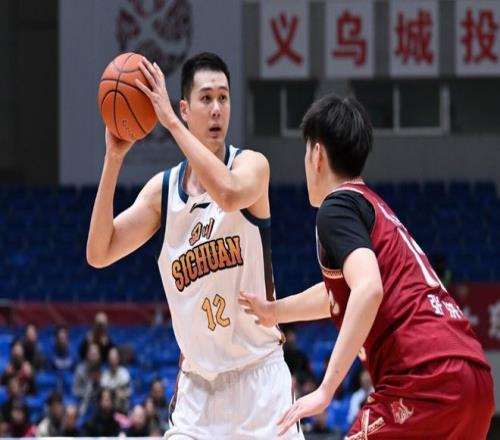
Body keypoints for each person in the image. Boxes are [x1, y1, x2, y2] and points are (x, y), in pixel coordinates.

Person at [239, 94, 494, 438]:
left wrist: (326, 389)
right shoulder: (372, 205)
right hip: (474, 378)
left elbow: (368, 288)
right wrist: (275, 311)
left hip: (424, 378)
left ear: (317, 154)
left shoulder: (336, 207)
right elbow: (341, 292)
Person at [87, 52, 303, 439]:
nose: (217, 108)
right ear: (186, 108)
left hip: (260, 382)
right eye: (206, 98)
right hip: (197, 393)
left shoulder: (252, 166)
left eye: (223, 98)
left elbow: (228, 194)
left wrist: (169, 122)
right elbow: (99, 253)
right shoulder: (163, 192)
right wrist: (113, 159)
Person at [100, 347, 131, 413]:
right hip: (108, 409)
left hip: (122, 408)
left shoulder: (124, 373)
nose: (113, 360)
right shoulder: (104, 375)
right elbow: (103, 394)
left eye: (115, 358)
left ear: (118, 358)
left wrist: (117, 394)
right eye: (111, 358)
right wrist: (116, 393)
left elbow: (128, 393)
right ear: (108, 359)